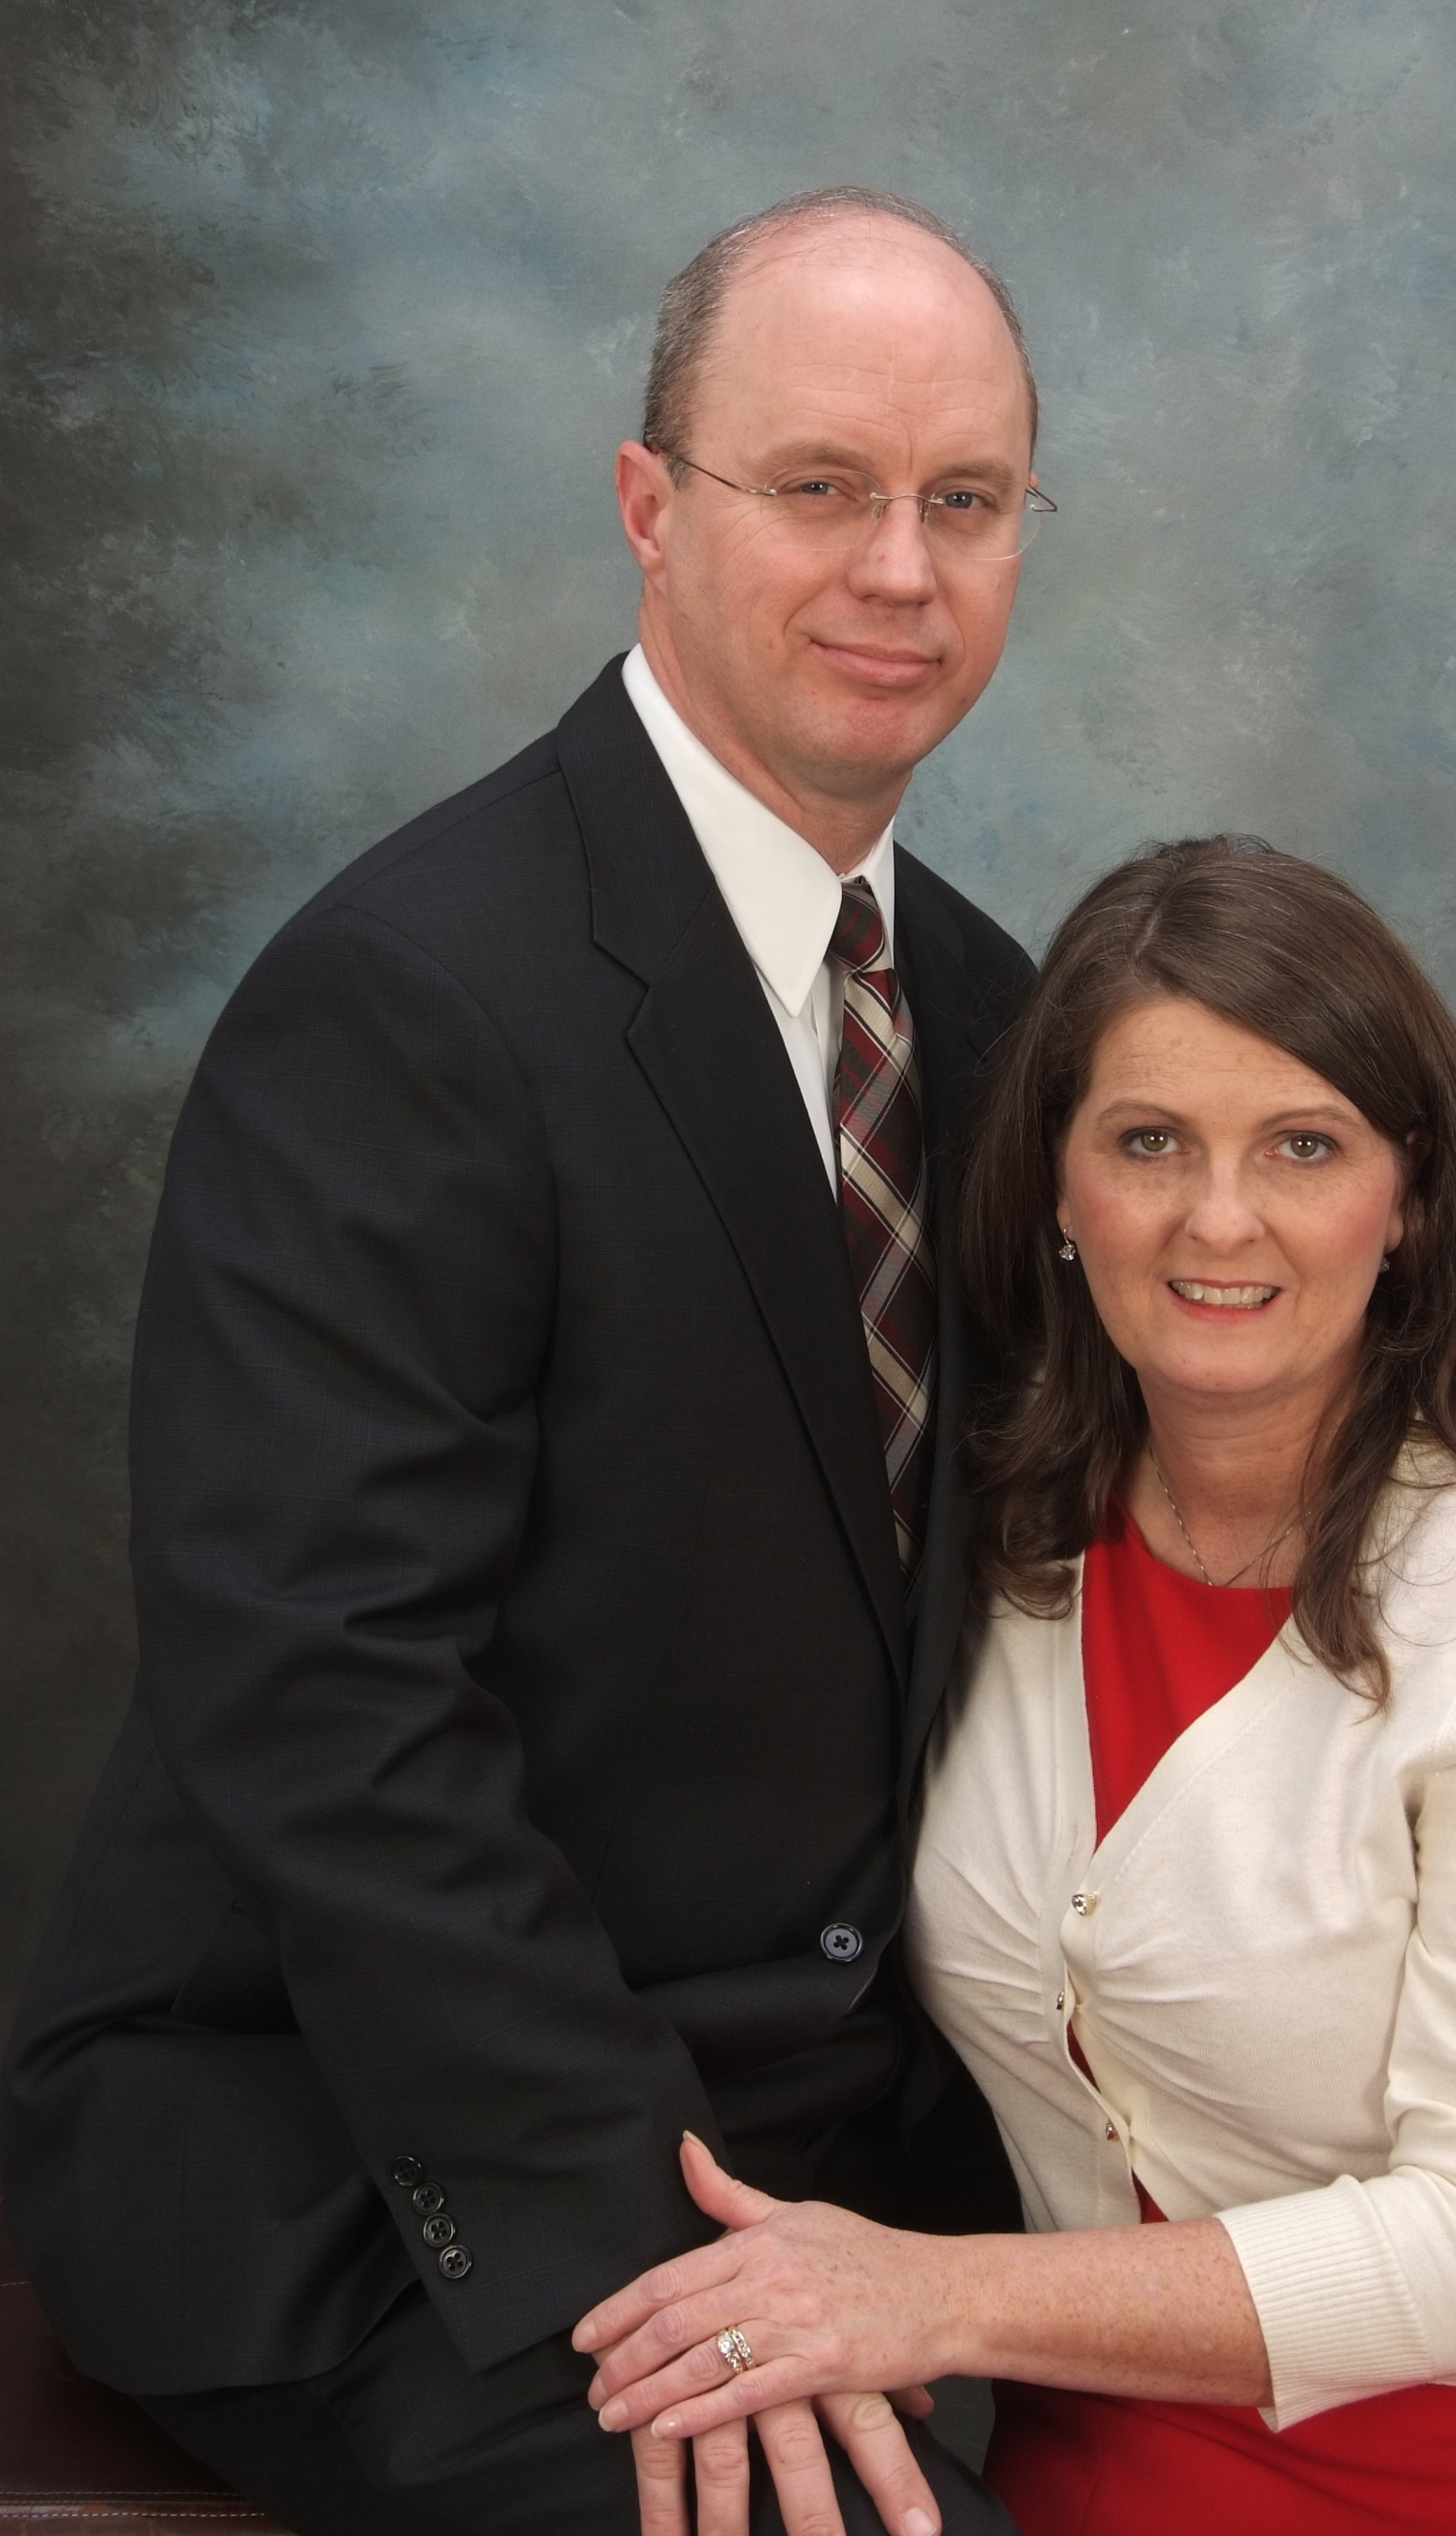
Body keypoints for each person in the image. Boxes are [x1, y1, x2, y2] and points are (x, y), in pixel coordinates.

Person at [1, 185, 1054, 2536]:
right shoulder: (414, 993)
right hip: (382, 2167)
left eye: (967, 501)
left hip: (847, 2173)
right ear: (648, 505)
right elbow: (327, 1698)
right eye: (823, 484)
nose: (901, 569)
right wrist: (646, 2260)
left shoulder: (994, 1017)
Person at [574, 837, 1456, 2535]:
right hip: (1144, 2445)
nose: (1221, 1219)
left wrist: (925, 2293)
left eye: (1304, 1145)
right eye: (1149, 1143)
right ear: (1057, 1189)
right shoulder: (989, 1550)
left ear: (1407, 1196)